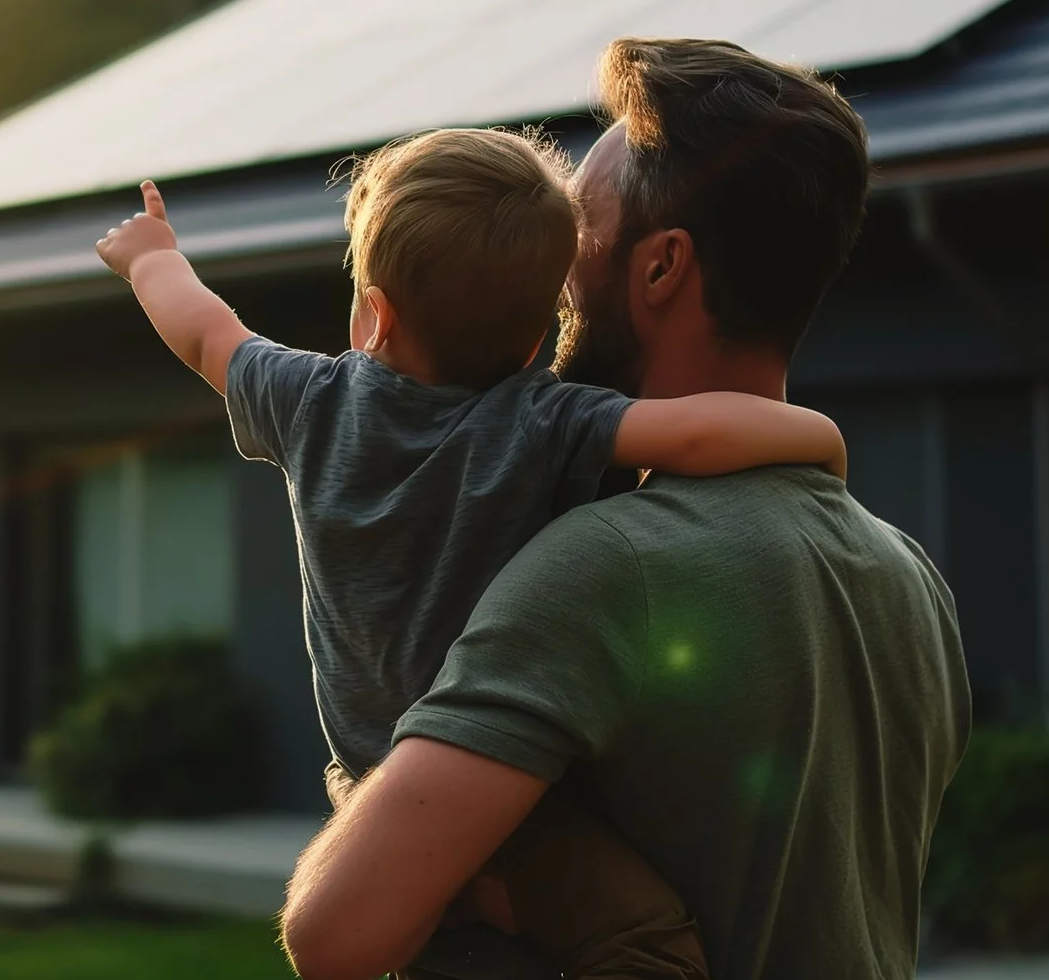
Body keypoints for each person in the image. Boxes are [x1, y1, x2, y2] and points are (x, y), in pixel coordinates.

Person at [277, 38, 972, 980]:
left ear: (660, 269)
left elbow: (335, 933)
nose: (548, 278)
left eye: (574, 238)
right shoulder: (908, 578)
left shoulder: (603, 568)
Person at [94, 124, 847, 979]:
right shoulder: (547, 422)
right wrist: (816, 435)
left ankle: (459, 897)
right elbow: (698, 430)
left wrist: (149, 255)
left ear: (373, 315)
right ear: (538, 337)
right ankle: (471, 891)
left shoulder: (313, 401)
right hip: (508, 799)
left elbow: (203, 331)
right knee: (651, 947)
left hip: (370, 783)